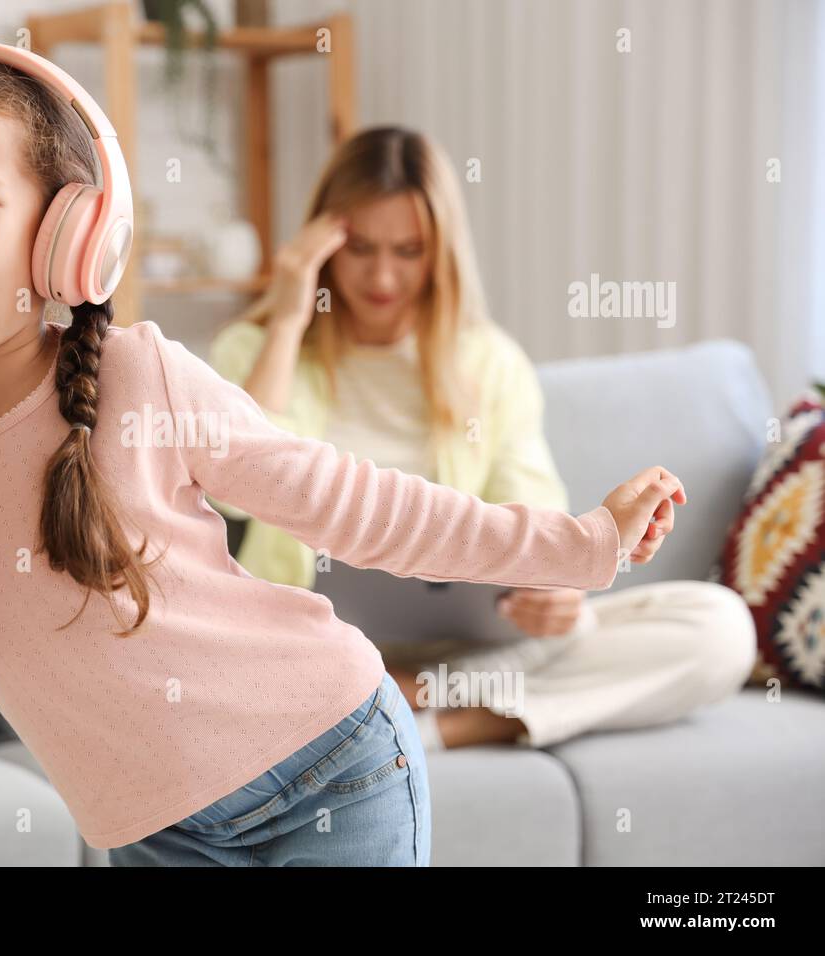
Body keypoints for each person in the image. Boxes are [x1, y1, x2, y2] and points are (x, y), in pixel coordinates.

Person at [0, 46, 682, 866]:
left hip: (334, 768)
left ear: (64, 234)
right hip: (156, 837)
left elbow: (356, 506)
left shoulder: (140, 378)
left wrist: (584, 543)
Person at [208, 125, 755, 752]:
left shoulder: (491, 363)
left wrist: (561, 595)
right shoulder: (253, 350)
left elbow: (540, 522)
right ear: (322, 243)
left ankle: (436, 714)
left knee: (717, 627)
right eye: (360, 247)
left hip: (467, 655)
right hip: (312, 645)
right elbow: (236, 493)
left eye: (409, 251)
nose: (382, 276)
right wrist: (286, 315)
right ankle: (393, 692)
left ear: (440, 253)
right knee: (217, 659)